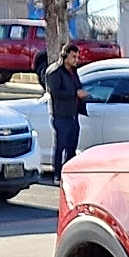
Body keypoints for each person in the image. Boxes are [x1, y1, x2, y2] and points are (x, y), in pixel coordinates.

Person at [45, 43, 89, 183]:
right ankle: (57, 174)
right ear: (65, 56)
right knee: (60, 145)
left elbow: (77, 86)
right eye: (73, 56)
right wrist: (75, 94)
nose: (76, 59)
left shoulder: (73, 72)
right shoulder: (55, 72)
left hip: (73, 114)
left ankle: (68, 173)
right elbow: (55, 93)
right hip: (61, 115)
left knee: (72, 146)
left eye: (77, 57)